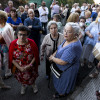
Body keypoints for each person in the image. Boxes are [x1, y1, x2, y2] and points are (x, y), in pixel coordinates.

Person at [49, 22, 82, 98]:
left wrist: (53, 58)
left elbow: (63, 62)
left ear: (75, 34)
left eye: (69, 31)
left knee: (64, 83)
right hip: (62, 68)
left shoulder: (72, 47)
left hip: (67, 70)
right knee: (60, 81)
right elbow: (60, 48)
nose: (65, 33)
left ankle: (61, 94)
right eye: (65, 30)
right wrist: (54, 54)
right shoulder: (68, 39)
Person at [9, 26, 39, 95]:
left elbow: (36, 56)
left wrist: (30, 65)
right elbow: (11, 58)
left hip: (31, 67)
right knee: (22, 79)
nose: (22, 37)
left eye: (24, 35)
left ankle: (33, 85)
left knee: (32, 78)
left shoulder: (32, 43)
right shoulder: (13, 44)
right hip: (19, 68)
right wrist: (19, 67)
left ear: (27, 35)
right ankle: (23, 86)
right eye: (20, 34)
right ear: (17, 34)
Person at [0, 10, 14, 88]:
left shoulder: (8, 27)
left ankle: (8, 73)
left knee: (6, 59)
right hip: (0, 45)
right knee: (2, 59)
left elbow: (11, 38)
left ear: (2, 18)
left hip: (6, 46)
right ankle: (3, 70)